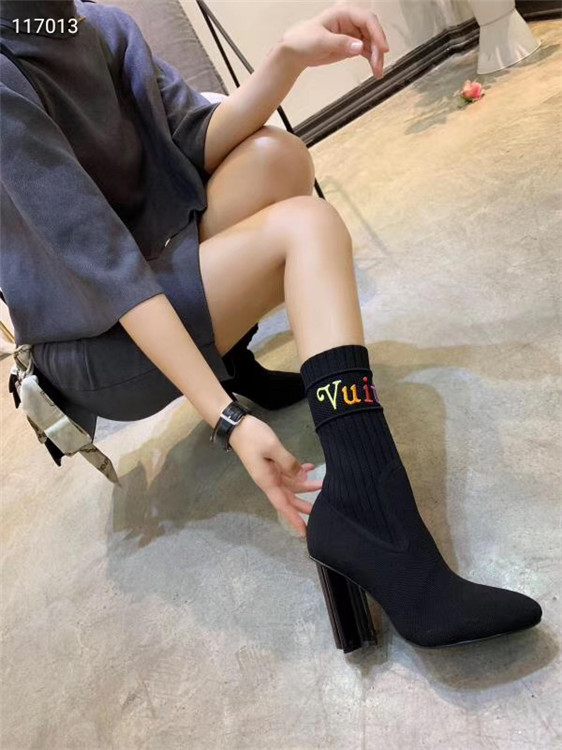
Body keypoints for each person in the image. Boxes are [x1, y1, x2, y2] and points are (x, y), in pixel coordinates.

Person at [0, 0, 541, 651]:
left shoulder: (95, 24)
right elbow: (101, 265)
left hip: (142, 269)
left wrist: (287, 58)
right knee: (306, 229)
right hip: (95, 343)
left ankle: (239, 364)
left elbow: (193, 139)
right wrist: (226, 418)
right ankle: (374, 518)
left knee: (276, 156)